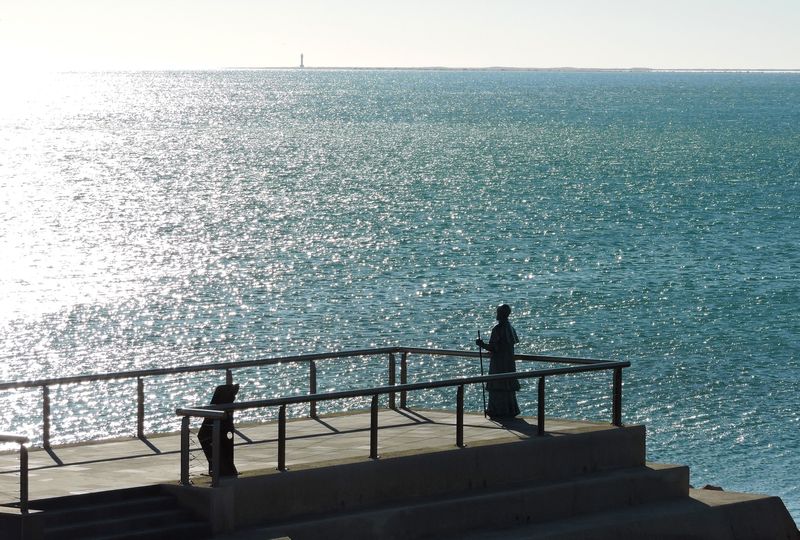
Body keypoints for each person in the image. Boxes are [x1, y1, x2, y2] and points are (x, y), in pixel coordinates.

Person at [476, 304, 520, 419]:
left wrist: (481, 344)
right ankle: (509, 409)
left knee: (496, 384)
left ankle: (497, 410)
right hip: (509, 361)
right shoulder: (510, 328)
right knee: (507, 385)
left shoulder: (498, 329)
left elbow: (494, 347)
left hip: (498, 363)